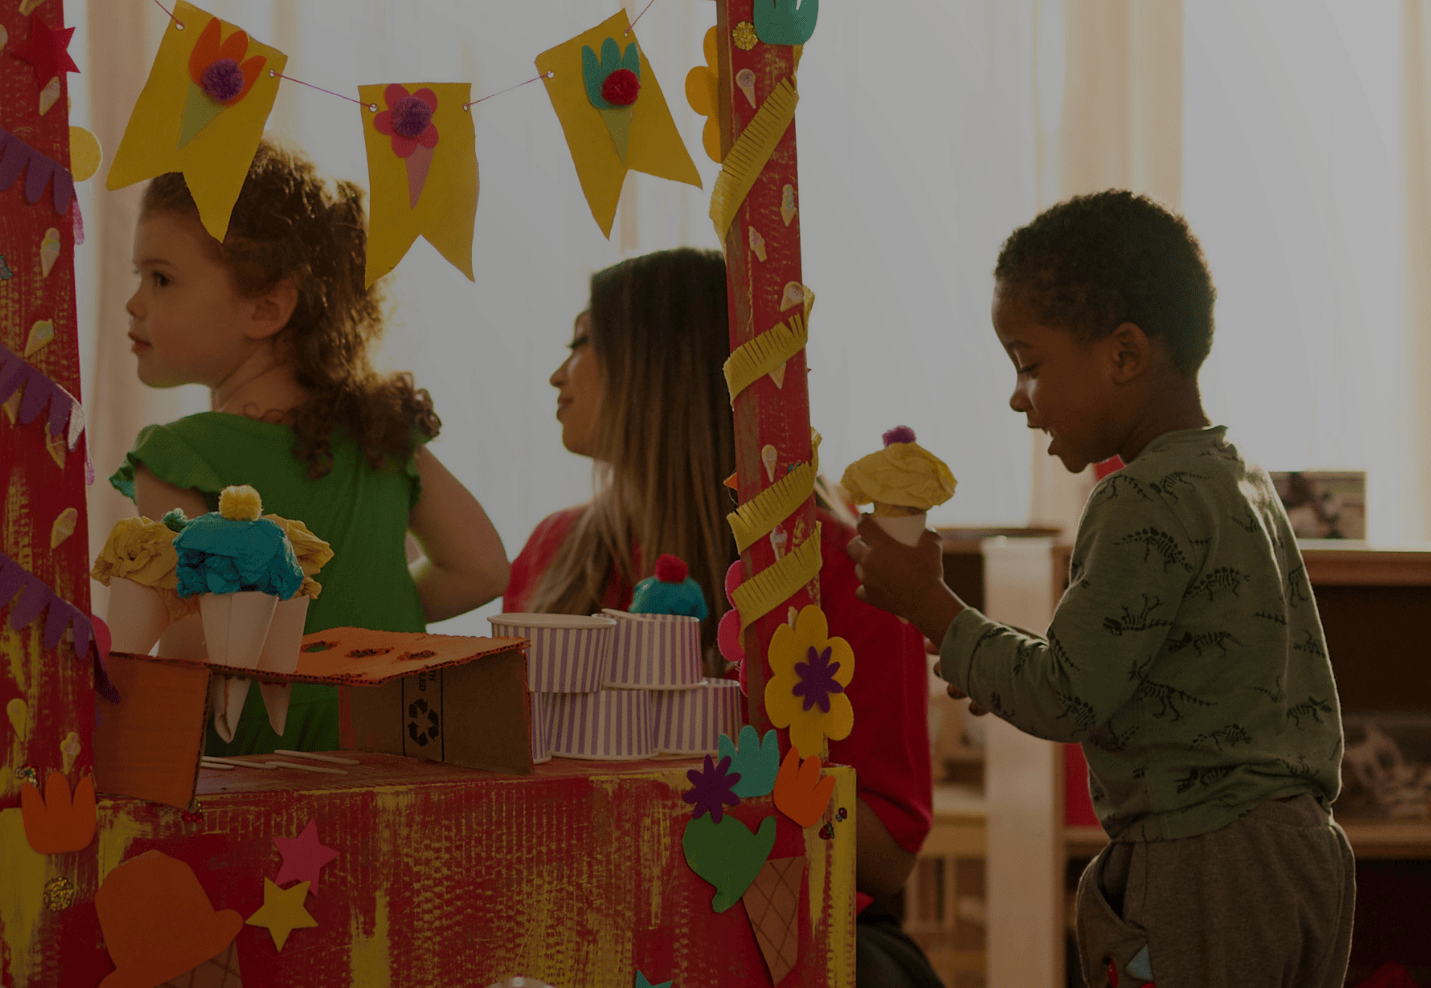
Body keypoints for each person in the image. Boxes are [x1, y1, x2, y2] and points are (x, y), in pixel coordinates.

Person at [851, 190, 1352, 987]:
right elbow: (1117, 670)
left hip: (1203, 861)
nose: (1018, 398)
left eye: (1029, 364)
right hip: (1301, 854)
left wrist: (930, 605)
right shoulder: (1239, 479)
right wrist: (989, 662)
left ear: (1123, 355)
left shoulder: (1139, 498)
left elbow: (1065, 694)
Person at [505, 248, 942, 987]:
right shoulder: (553, 552)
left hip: (793, 933)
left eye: (583, 343)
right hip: (585, 929)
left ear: (663, 364)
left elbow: (885, 853)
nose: (557, 374)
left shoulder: (836, 565)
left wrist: (719, 758)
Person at [111, 141, 509, 755]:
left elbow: (191, 641)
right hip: (403, 736)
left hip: (260, 755)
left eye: (160, 278)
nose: (135, 302)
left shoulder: (176, 454)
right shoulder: (383, 431)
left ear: (267, 306)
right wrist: (371, 619)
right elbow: (481, 568)